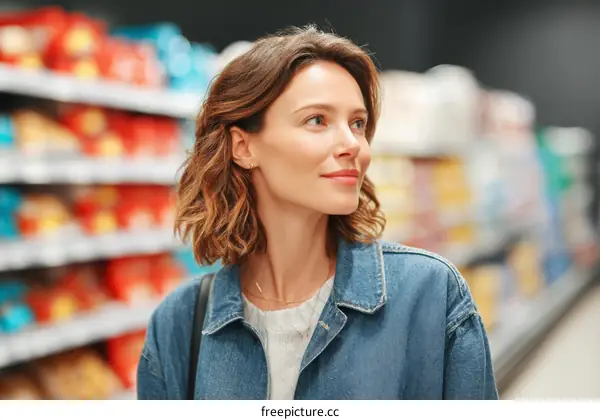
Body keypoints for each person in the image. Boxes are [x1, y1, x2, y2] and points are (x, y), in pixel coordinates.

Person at [136, 25, 499, 400]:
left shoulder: (431, 295)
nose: (351, 144)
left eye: (357, 124)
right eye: (317, 120)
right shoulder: (178, 326)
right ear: (243, 147)